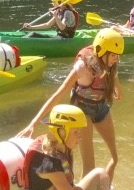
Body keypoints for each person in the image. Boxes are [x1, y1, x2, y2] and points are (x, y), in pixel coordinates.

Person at [20, 28, 123, 180]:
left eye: (118, 55)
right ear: (101, 52)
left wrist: (117, 87)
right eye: (113, 55)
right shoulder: (82, 67)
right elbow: (57, 95)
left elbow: (112, 73)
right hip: (82, 111)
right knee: (90, 167)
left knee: (115, 158)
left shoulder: (110, 60)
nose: (116, 59)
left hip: (101, 108)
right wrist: (33, 123)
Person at [22, 104, 114, 190]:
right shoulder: (49, 162)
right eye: (75, 132)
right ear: (60, 132)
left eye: (80, 131)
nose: (80, 136)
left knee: (101, 174)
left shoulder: (62, 147)